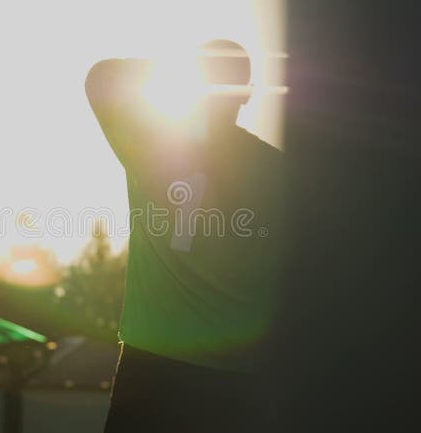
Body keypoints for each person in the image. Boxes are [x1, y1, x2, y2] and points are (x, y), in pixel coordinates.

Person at [85, 39, 286, 432]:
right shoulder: (280, 173)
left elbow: (100, 77)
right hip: (235, 382)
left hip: (151, 370)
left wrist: (169, 65)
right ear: (247, 95)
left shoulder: (152, 143)